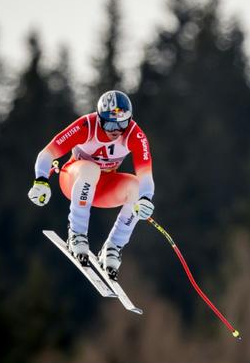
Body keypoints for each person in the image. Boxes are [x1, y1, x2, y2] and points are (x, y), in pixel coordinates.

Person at [27, 90, 155, 280]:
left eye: (122, 124)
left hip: (103, 188)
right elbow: (47, 153)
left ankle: (113, 248)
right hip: (74, 180)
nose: (116, 131)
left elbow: (146, 177)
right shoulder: (87, 126)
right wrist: (41, 180)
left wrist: (145, 200)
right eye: (110, 123)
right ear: (99, 118)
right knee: (90, 170)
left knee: (136, 188)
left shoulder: (135, 135)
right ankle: (77, 234)